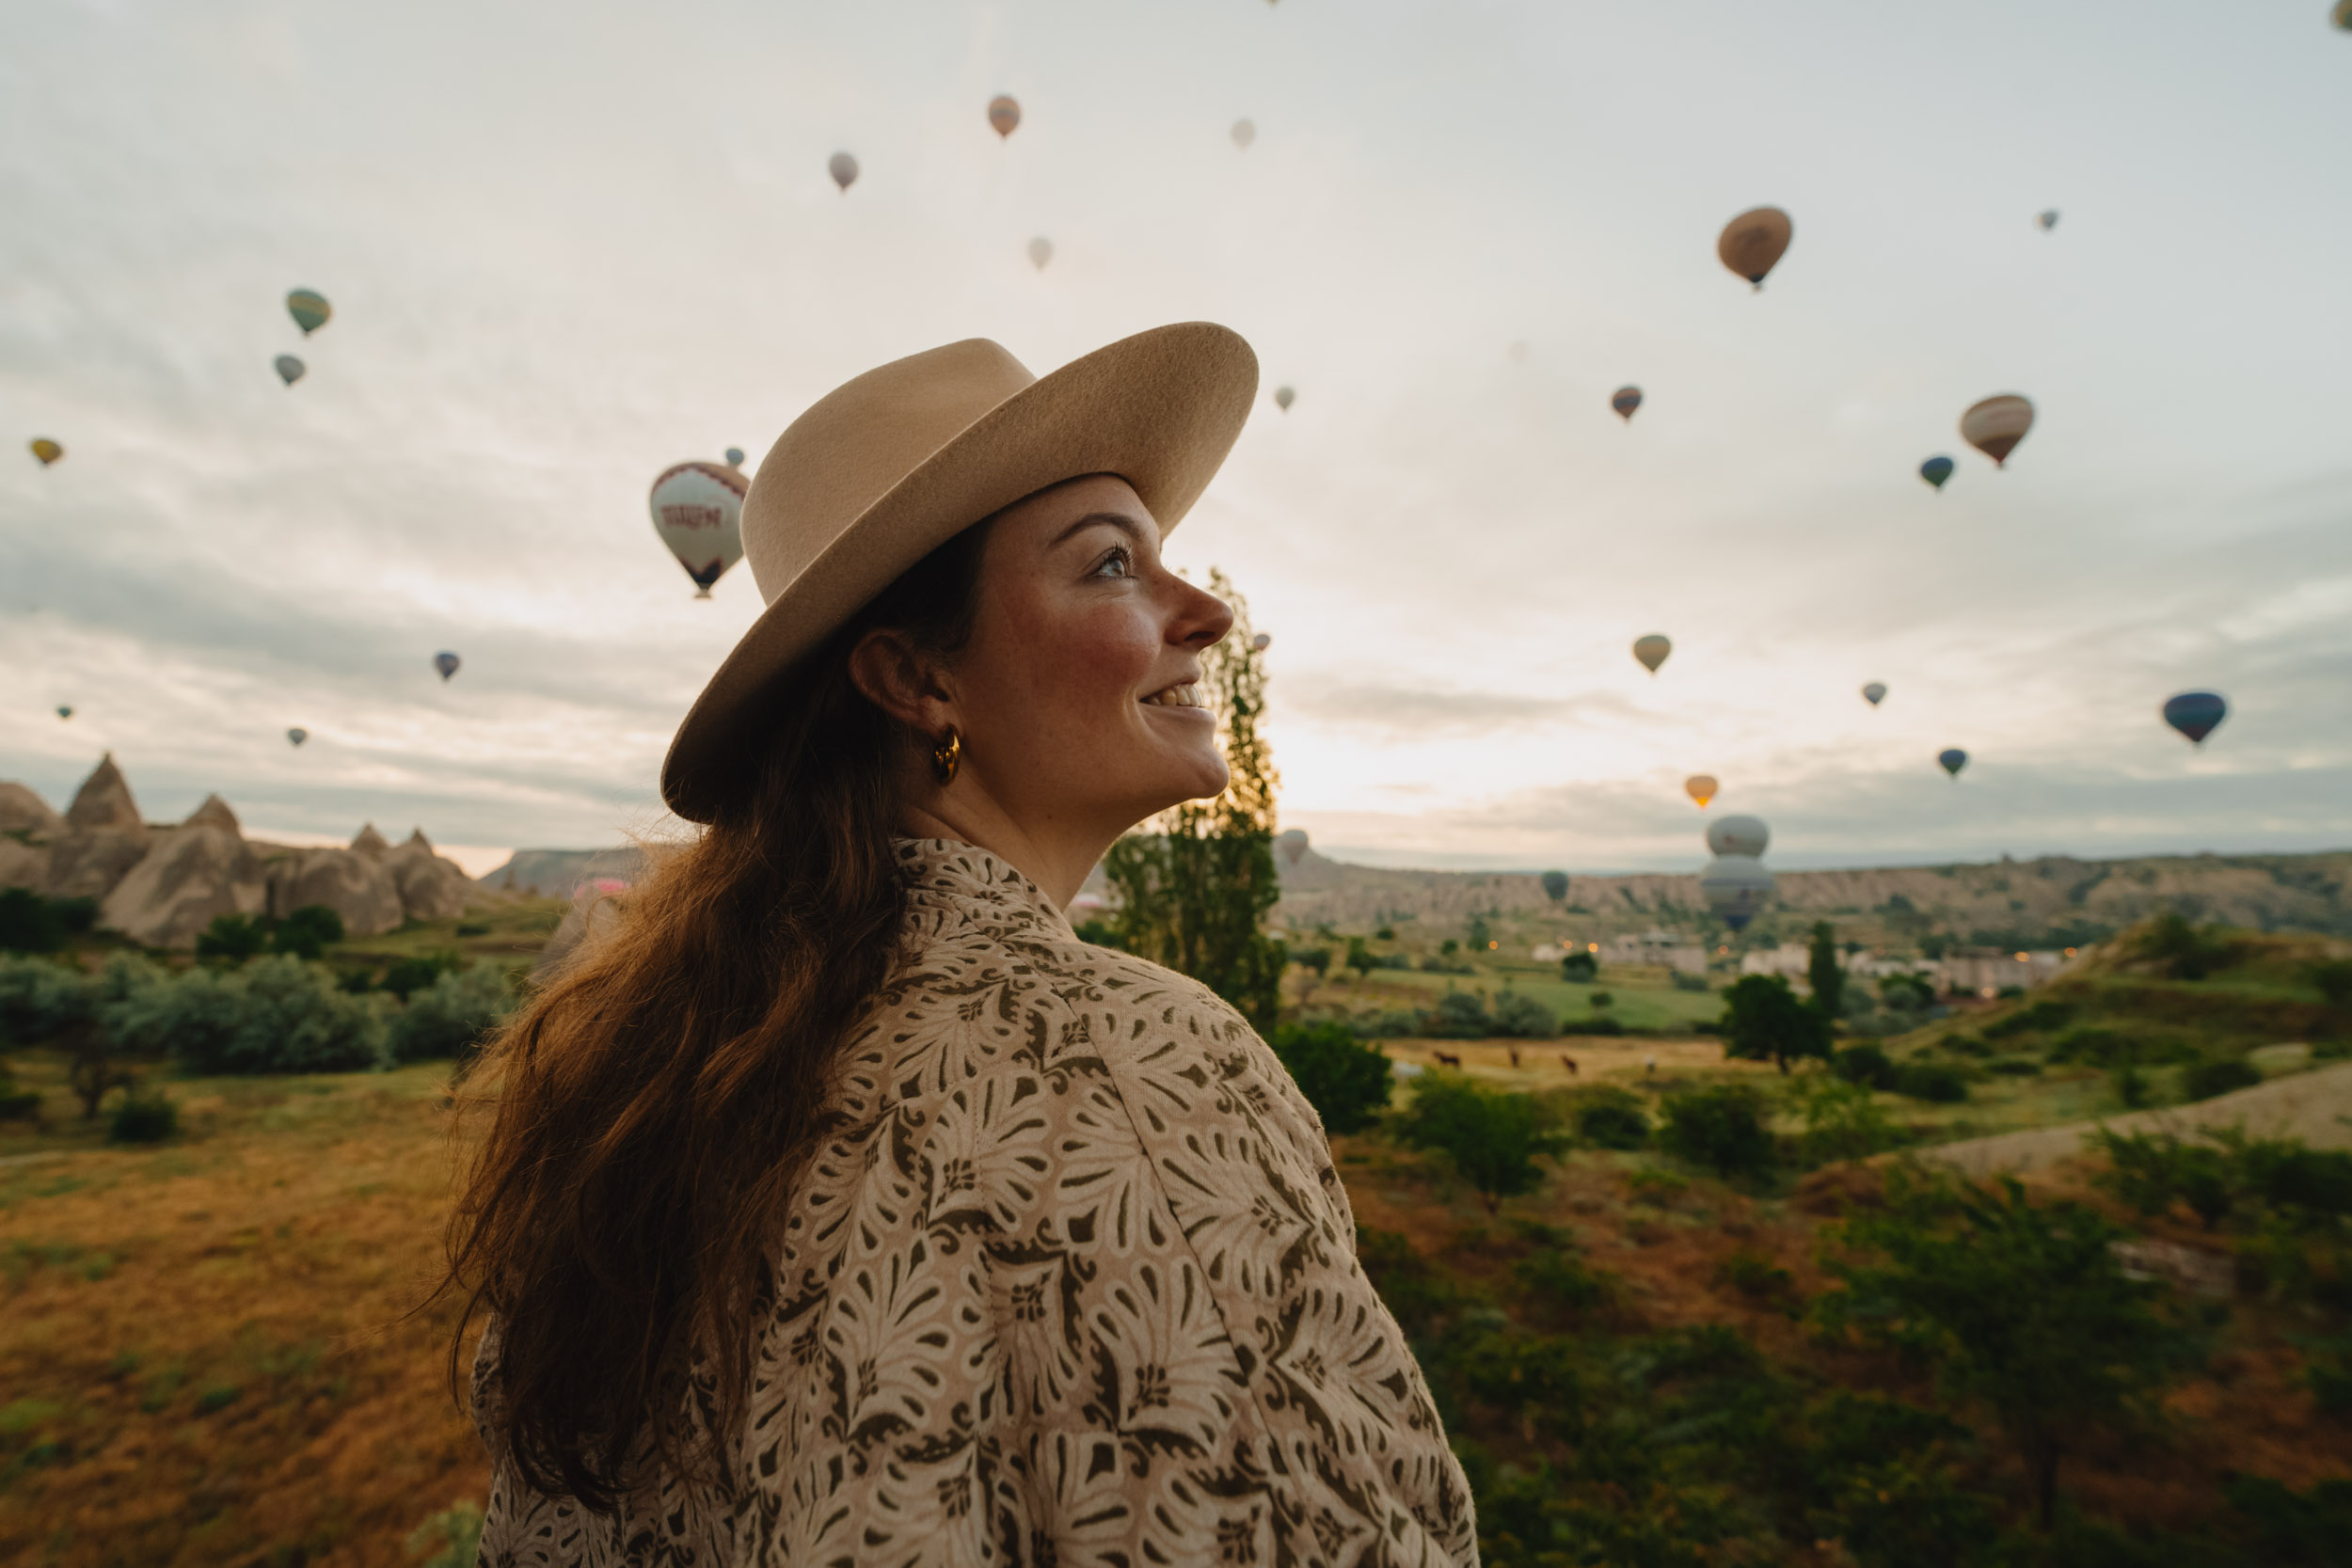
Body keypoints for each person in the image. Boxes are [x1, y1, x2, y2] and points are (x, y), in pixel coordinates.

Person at [447, 325, 1477, 1567]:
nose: (1205, 611)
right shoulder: (1141, 1069)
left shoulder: (660, 1082)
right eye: (1112, 567)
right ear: (915, 680)